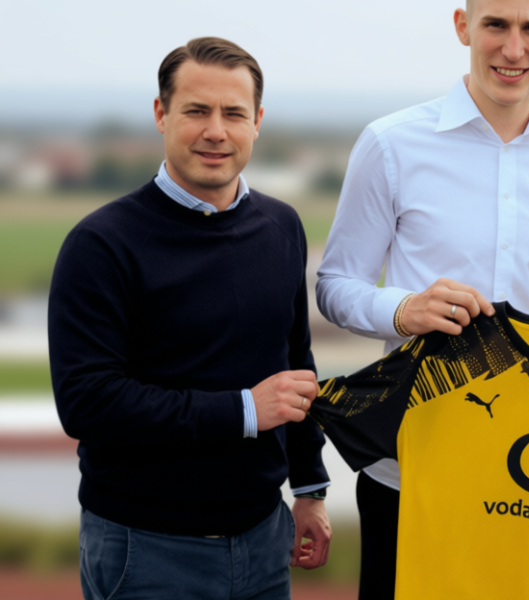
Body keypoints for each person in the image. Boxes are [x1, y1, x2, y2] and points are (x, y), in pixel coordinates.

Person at [314, 0, 529, 596]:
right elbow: (335, 284)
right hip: (412, 465)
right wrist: (403, 310)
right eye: (495, 24)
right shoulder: (390, 144)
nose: (513, 48)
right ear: (462, 26)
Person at [49, 37, 332, 600]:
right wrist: (243, 410)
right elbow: (87, 401)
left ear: (257, 122)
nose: (216, 131)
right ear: (162, 114)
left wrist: (309, 488)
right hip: (145, 547)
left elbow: (295, 364)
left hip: (264, 537)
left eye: (234, 113)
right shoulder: (101, 244)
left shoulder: (282, 226)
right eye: (197, 111)